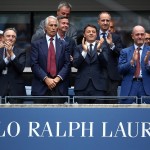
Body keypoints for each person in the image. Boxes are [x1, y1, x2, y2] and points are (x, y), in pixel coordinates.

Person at [31, 16, 71, 104]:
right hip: (41, 87)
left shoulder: (64, 45)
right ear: (45, 27)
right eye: (51, 25)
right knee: (39, 117)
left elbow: (67, 64)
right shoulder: (36, 44)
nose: (53, 28)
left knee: (59, 117)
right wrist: (46, 79)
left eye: (55, 25)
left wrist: (56, 79)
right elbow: (34, 64)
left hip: (59, 87)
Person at [72, 24, 108, 104]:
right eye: (88, 32)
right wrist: (84, 51)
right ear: (84, 34)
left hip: (99, 87)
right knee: (82, 114)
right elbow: (75, 64)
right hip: (82, 86)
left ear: (97, 34)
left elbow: (105, 63)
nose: (91, 33)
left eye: (93, 32)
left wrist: (98, 50)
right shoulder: (78, 48)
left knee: (98, 114)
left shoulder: (103, 47)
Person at [118, 25, 150, 104]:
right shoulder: (125, 51)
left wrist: (147, 63)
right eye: (137, 34)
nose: (140, 37)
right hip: (129, 86)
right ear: (132, 36)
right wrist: (131, 62)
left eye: (142, 34)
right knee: (126, 114)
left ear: (145, 35)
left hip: (146, 87)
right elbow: (120, 69)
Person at [97, 11, 123, 103]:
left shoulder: (116, 37)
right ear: (98, 22)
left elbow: (121, 53)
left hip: (112, 78)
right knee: (97, 107)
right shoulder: (92, 36)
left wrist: (112, 44)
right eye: (103, 20)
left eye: (107, 20)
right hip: (96, 77)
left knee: (112, 107)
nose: (105, 22)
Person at [0, 28, 26, 104]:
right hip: (1, 87)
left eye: (13, 36)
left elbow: (20, 69)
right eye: (8, 36)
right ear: (3, 38)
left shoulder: (21, 51)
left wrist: (11, 54)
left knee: (17, 114)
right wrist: (7, 59)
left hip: (16, 88)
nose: (11, 38)